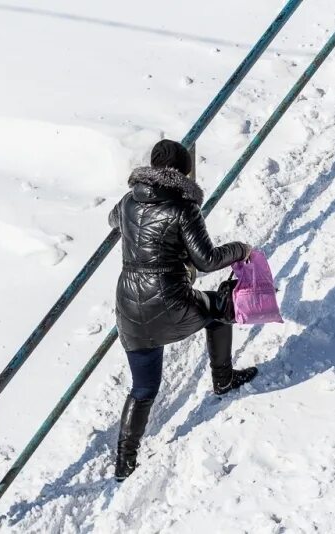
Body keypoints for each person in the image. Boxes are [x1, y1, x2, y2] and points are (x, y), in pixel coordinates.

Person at [108, 139, 258, 482]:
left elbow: (112, 219)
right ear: (185, 169)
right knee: (220, 308)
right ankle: (223, 378)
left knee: (144, 388)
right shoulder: (182, 208)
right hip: (168, 301)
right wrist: (240, 249)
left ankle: (124, 461)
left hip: (129, 305)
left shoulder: (130, 200)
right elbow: (206, 261)